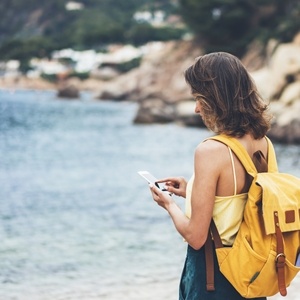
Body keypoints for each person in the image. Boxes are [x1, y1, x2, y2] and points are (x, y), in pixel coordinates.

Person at [149, 52, 272, 299]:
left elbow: (196, 237)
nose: (196, 108)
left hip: (214, 278)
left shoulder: (210, 150)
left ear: (216, 98)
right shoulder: (263, 143)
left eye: (198, 98)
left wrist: (169, 205)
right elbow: (245, 200)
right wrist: (191, 191)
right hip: (252, 275)